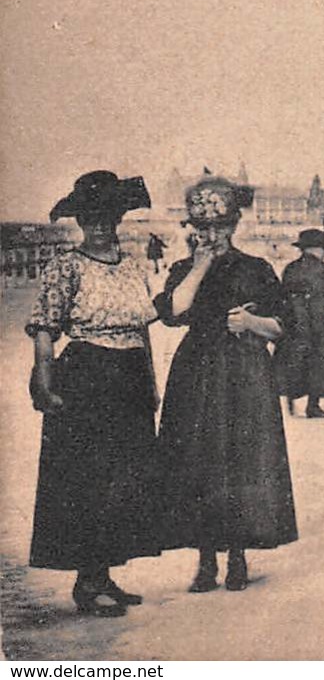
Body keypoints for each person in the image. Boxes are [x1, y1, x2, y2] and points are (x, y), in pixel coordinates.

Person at [24, 171, 162, 617]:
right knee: (88, 481)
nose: (100, 226)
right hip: (86, 376)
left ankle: (104, 575)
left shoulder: (133, 265)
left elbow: (143, 328)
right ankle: (87, 583)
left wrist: (152, 381)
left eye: (107, 217)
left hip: (130, 377)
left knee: (125, 479)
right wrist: (43, 378)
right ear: (79, 221)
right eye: (90, 218)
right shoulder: (65, 266)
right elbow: (45, 326)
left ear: (118, 218)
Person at [154, 176, 297, 593]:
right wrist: (200, 265)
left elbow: (283, 327)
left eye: (219, 227)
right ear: (192, 228)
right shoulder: (184, 269)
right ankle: (204, 560)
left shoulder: (256, 269)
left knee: (242, 461)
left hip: (246, 372)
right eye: (202, 227)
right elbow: (173, 312)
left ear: (234, 226)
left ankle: (237, 556)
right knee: (198, 462)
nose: (211, 235)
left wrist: (252, 323)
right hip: (196, 370)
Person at [275, 228, 324, 419]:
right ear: (319, 249)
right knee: (319, 363)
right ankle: (313, 406)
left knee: (293, 359)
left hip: (294, 322)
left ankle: (290, 398)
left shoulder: (290, 268)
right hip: (319, 322)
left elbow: (281, 295)